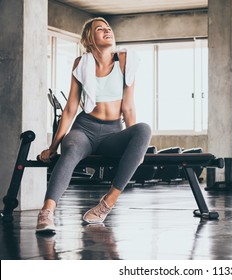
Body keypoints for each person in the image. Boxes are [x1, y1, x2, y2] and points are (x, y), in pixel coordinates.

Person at [36, 17, 152, 234]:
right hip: (85, 129)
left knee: (144, 129)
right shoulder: (82, 64)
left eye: (109, 27)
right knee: (70, 150)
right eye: (100, 29)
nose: (107, 30)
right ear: (89, 39)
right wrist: (52, 148)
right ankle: (47, 211)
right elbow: (70, 108)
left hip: (113, 134)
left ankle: (107, 203)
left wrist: (137, 146)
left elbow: (128, 107)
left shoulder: (126, 60)